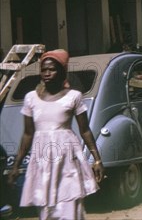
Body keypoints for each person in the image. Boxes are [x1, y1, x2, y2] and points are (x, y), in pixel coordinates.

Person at [7, 49, 103, 219]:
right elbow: (28, 134)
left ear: (62, 72)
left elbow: (85, 130)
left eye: (52, 69)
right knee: (47, 210)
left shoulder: (74, 96)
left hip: (68, 160)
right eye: (44, 70)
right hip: (42, 161)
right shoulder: (31, 98)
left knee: (70, 206)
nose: (47, 73)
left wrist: (97, 159)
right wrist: (16, 165)